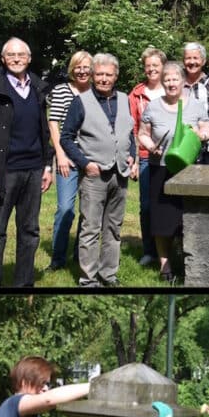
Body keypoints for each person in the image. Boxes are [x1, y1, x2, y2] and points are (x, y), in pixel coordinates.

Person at [0, 37, 54, 287]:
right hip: (4, 172)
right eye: (11, 55)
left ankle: (23, 284)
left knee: (30, 232)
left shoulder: (38, 89)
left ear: (29, 59)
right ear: (3, 59)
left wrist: (47, 166)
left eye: (21, 55)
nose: (17, 59)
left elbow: (44, 131)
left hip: (34, 170)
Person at [60, 52, 138, 288]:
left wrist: (132, 157)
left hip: (120, 174)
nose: (104, 78)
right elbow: (66, 137)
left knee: (114, 228)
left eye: (108, 75)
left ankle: (109, 275)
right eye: (99, 74)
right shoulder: (81, 101)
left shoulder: (125, 99)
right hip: (94, 174)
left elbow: (128, 134)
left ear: (116, 76)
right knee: (91, 228)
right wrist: (85, 163)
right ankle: (88, 279)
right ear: (93, 76)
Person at [138, 61, 209, 284]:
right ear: (163, 82)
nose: (171, 83)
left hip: (188, 169)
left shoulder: (196, 105)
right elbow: (142, 133)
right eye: (167, 79)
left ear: (182, 81)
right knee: (161, 218)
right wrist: (150, 146)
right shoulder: (153, 106)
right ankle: (165, 263)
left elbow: (206, 129)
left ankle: (186, 260)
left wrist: (201, 135)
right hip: (160, 168)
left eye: (175, 79)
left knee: (187, 217)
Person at [46, 50, 93, 273]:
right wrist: (60, 155)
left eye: (86, 67)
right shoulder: (61, 91)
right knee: (66, 208)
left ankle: (80, 254)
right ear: (72, 69)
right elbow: (53, 124)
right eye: (78, 67)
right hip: (67, 159)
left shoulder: (96, 92)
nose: (82, 71)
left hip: (91, 159)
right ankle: (57, 258)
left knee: (89, 210)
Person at [128, 47, 167, 267]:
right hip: (145, 157)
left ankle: (172, 250)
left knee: (169, 202)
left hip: (171, 156)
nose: (152, 69)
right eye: (148, 66)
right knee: (147, 205)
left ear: (163, 66)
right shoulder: (136, 94)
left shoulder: (172, 88)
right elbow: (133, 129)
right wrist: (133, 160)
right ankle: (149, 250)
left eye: (156, 65)